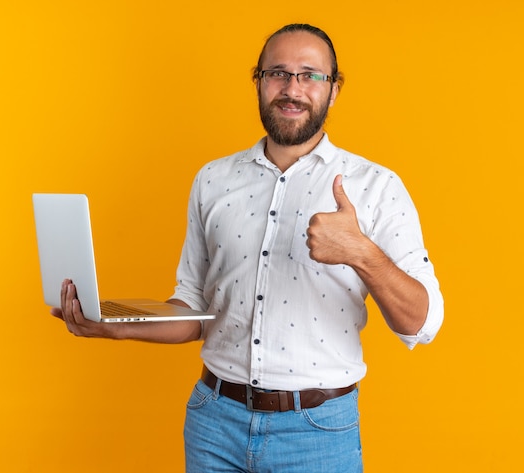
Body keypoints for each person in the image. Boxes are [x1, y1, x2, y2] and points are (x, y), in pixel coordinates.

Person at [51, 23, 443, 472]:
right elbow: (195, 310)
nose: (292, 88)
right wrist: (114, 325)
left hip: (316, 435)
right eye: (277, 73)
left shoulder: (376, 186)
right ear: (257, 81)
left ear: (334, 90)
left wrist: (360, 252)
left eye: (310, 75)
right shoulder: (213, 181)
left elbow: (423, 323)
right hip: (213, 423)